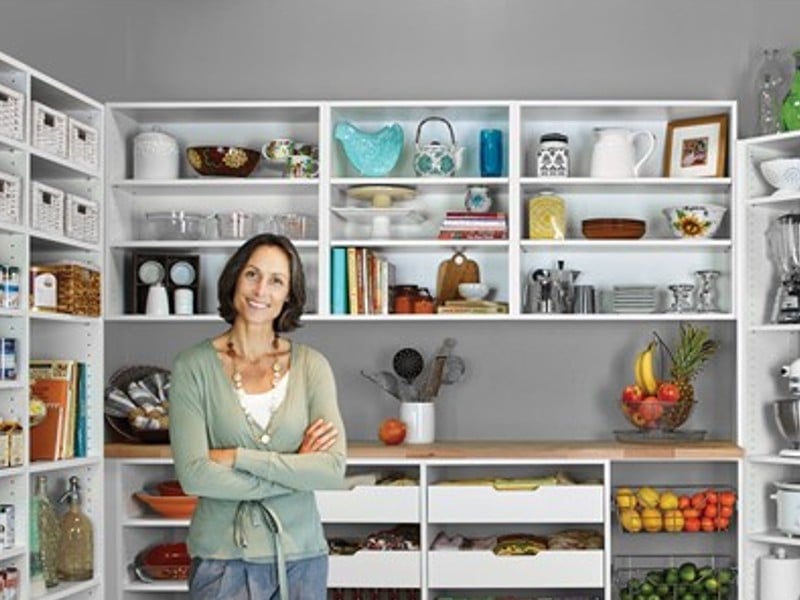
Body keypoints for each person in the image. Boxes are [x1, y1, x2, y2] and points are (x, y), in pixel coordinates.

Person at [170, 233, 347, 600]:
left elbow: (330, 469)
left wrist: (238, 458)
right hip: (221, 562)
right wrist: (295, 468)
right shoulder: (193, 366)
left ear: (289, 296)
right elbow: (194, 476)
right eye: (252, 274)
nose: (261, 289)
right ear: (235, 278)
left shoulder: (312, 366)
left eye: (276, 280)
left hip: (302, 559)